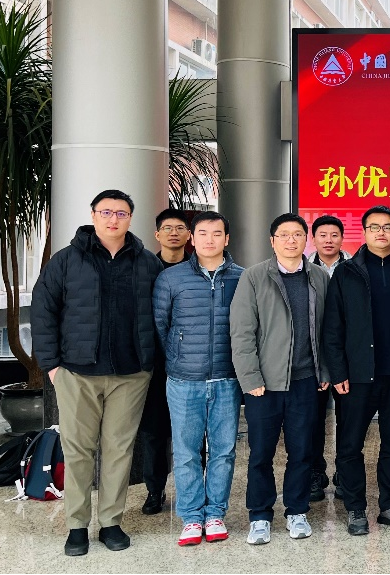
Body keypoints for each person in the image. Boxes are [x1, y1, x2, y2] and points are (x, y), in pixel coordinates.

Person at [30, 190, 163, 557]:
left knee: (119, 449)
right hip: (77, 372)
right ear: (93, 215)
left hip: (131, 373)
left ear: (130, 218)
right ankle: (76, 525)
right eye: (106, 212)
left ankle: (110, 522)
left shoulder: (146, 262)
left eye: (121, 213)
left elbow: (159, 314)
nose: (113, 219)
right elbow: (43, 311)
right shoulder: (67, 260)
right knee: (78, 451)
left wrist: (150, 362)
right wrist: (51, 365)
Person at [230, 214, 330, 546]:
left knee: (302, 452)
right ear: (272, 241)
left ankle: (296, 511)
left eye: (297, 234)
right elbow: (242, 332)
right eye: (283, 235)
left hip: (306, 381)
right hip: (265, 384)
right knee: (261, 453)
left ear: (306, 240)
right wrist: (250, 378)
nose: (291, 240)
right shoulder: (255, 276)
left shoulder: (318, 276)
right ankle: (260, 515)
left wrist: (324, 371)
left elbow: (327, 329)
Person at [322, 206, 390, 536]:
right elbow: (332, 327)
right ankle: (355, 508)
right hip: (357, 375)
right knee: (350, 445)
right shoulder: (347, 272)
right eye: (374, 227)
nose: (381, 232)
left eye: (387, 227)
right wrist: (338, 372)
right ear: (363, 232)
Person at [152, 211, 244, 546]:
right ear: (192, 238)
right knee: (186, 452)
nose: (209, 239)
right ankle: (191, 517)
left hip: (227, 378)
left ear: (227, 239)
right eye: (202, 233)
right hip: (183, 380)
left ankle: (215, 514)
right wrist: (178, 358)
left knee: (224, 451)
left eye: (217, 233)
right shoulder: (171, 278)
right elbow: (160, 326)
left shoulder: (242, 278)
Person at [139, 207, 191, 517]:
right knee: (154, 431)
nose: (174, 233)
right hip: (154, 363)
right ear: (157, 234)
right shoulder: (145, 269)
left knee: (192, 432)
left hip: (190, 363)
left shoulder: (198, 268)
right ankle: (154, 490)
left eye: (180, 228)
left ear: (189, 235)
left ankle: (192, 490)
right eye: (167, 228)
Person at [309, 214, 348, 503]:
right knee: (313, 420)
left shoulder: (354, 268)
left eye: (334, 235)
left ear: (342, 238)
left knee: (348, 420)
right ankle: (315, 473)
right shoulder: (303, 268)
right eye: (323, 235)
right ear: (314, 238)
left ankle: (344, 474)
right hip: (312, 358)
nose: (329, 240)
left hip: (348, 359)